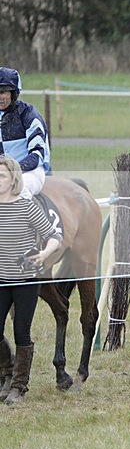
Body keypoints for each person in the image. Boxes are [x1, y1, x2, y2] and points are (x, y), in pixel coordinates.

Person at [0, 155, 62, 404]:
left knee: (20, 331)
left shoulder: (26, 206)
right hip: (1, 278)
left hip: (26, 279)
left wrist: (45, 253)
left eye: (2, 175)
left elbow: (53, 235)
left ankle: (18, 386)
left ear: (13, 178)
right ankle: (7, 373)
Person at [0, 67, 51, 200]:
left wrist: (13, 172)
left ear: (14, 93)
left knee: (18, 191)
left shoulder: (29, 115)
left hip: (30, 172)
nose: (0, 97)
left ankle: (32, 221)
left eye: (3, 92)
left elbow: (37, 154)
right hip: (3, 174)